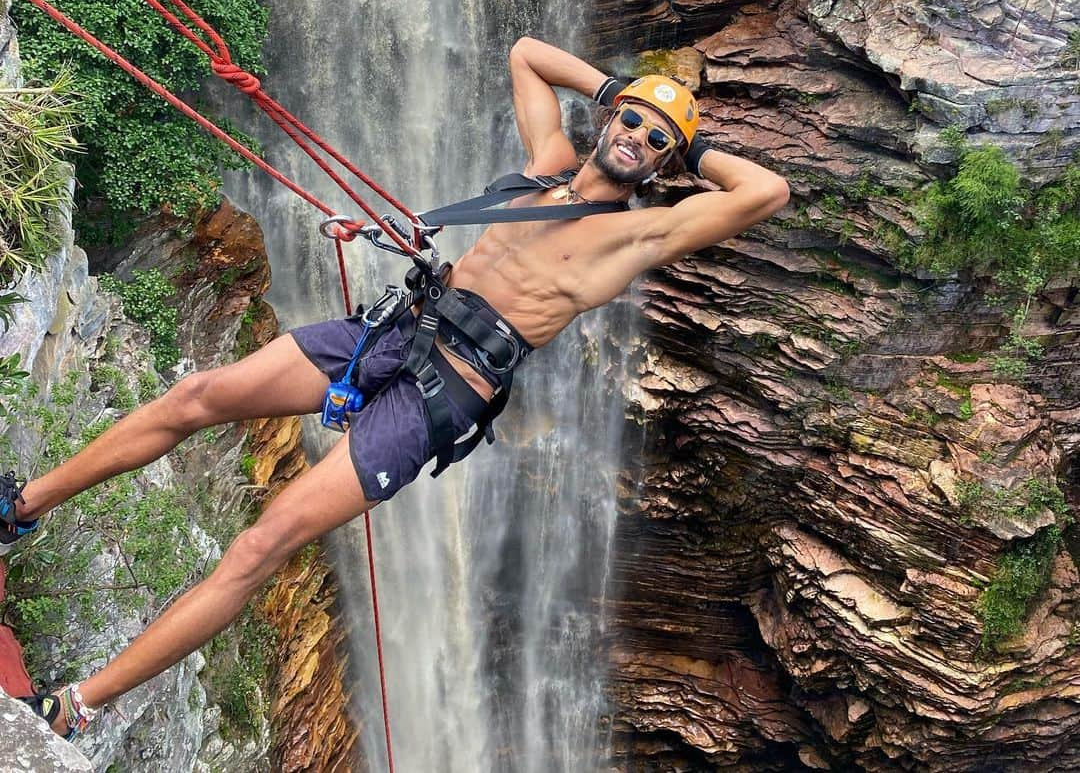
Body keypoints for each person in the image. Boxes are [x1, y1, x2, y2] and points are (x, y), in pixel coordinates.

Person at [0, 36, 789, 739]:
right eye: (632, 123)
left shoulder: (635, 233)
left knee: (261, 543)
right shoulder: (545, 164)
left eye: (658, 142)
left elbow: (765, 193)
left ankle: (79, 705)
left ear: (664, 165)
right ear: (607, 119)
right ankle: (20, 506)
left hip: (442, 395)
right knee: (194, 398)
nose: (638, 139)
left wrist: (695, 145)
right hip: (395, 329)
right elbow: (525, 52)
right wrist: (624, 89)